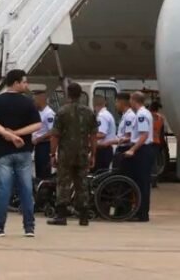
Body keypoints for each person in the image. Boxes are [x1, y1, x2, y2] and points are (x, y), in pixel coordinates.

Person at [0, 69, 41, 238]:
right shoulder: (28, 102)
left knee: (3, 189)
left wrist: (8, 134)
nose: (26, 84)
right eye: (24, 81)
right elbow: (37, 125)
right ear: (16, 83)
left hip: (2, 151)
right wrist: (18, 134)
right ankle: (29, 227)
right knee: (26, 189)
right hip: (24, 151)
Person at [47, 82, 97, 226]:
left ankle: (61, 215)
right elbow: (93, 136)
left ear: (68, 94)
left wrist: (52, 154)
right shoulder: (89, 112)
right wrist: (93, 154)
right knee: (82, 183)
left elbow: (55, 135)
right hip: (82, 153)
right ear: (81, 94)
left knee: (63, 183)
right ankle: (84, 216)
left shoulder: (62, 112)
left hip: (65, 154)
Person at [123, 92, 155, 222]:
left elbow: (144, 135)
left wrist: (132, 149)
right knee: (140, 182)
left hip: (143, 150)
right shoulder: (142, 113)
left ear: (133, 100)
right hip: (143, 149)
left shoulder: (141, 114)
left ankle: (142, 214)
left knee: (142, 183)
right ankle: (140, 212)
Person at [31, 91, 56, 180]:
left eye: (34, 100)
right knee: (38, 171)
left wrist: (39, 139)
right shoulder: (39, 112)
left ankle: (46, 191)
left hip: (45, 146)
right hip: (38, 146)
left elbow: (52, 131)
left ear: (41, 100)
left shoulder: (49, 114)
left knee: (44, 172)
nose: (33, 103)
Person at [93, 95, 117, 172]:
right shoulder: (107, 114)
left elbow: (101, 134)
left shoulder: (102, 116)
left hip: (103, 150)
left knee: (98, 173)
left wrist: (88, 137)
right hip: (106, 149)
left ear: (94, 104)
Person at [114, 92, 135, 160]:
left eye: (116, 102)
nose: (115, 105)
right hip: (121, 147)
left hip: (125, 149)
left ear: (121, 103)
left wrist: (109, 141)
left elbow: (128, 137)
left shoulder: (129, 116)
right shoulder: (125, 115)